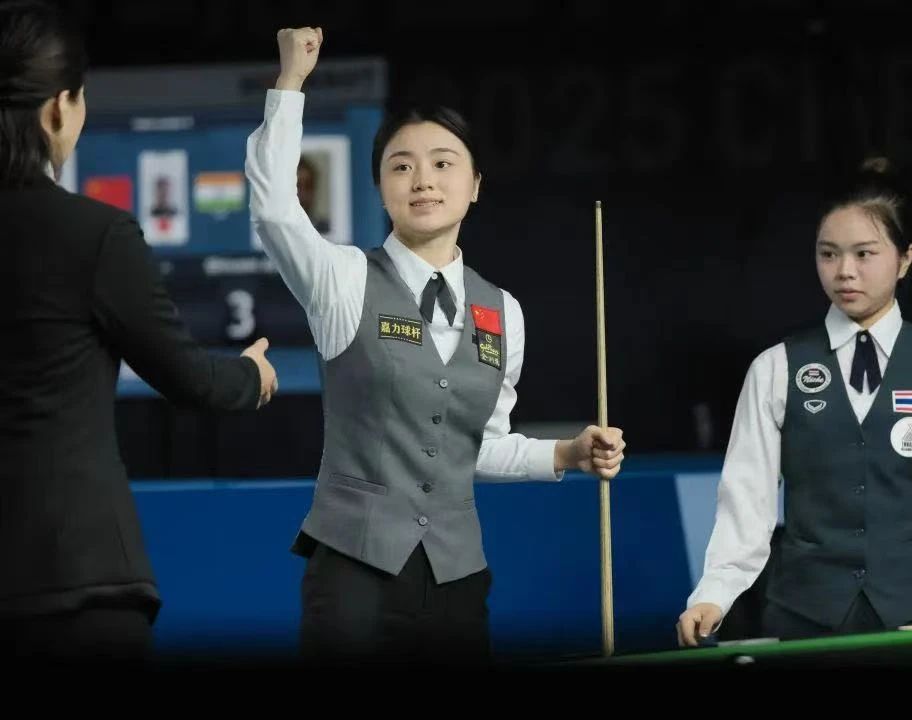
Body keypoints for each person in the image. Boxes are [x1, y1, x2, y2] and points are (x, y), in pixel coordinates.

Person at [245, 26, 626, 665]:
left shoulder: (502, 311)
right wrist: (290, 83)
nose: (422, 179)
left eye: (443, 163)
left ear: (475, 184)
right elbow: (275, 212)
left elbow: (476, 447)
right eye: (401, 166)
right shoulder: (343, 279)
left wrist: (565, 453)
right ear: (380, 187)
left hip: (457, 580)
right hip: (354, 574)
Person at [0, 0, 278, 663]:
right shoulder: (96, 235)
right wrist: (253, 375)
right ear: (59, 109)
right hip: (80, 582)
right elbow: (190, 380)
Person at [677, 157, 912, 645]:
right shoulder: (775, 369)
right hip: (805, 621)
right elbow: (745, 501)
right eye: (828, 254)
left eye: (864, 254)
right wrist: (713, 594)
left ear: (906, 259)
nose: (845, 272)